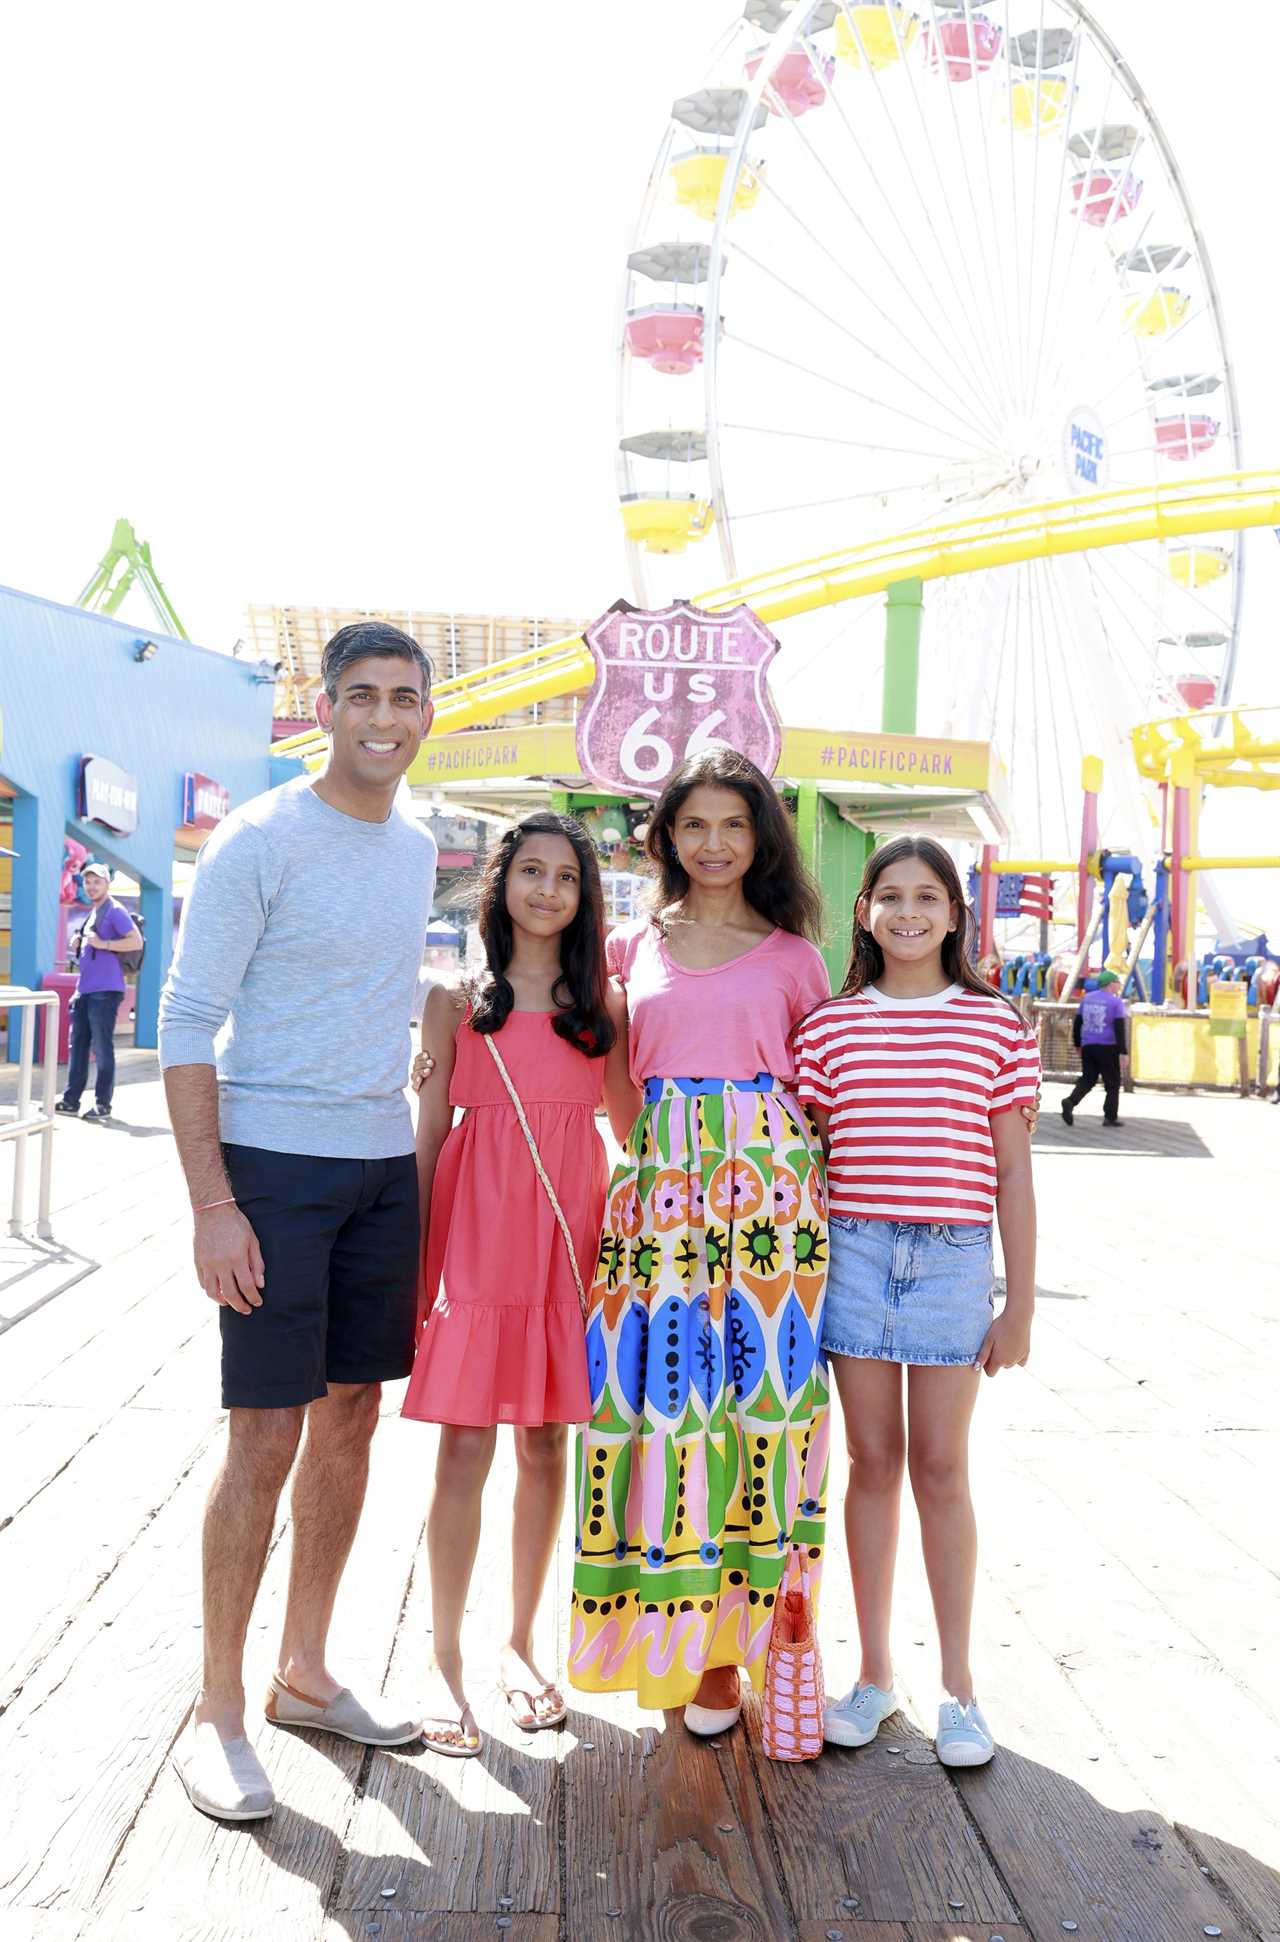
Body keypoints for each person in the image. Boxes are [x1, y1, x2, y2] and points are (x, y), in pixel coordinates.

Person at [158, 621, 437, 1822]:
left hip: (383, 1164)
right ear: (322, 707)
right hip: (271, 1168)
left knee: (353, 1424)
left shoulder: (421, 846)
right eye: (362, 696)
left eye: (405, 698)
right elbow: (183, 1022)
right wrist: (213, 1204)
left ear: (428, 713)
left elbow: (378, 988)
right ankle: (217, 1710)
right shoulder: (257, 838)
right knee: (262, 1439)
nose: (384, 717)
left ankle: (306, 1672)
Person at [568, 746, 832, 1735]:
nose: (713, 842)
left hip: (769, 1204)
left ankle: (746, 1647)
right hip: (661, 1200)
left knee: (763, 1413)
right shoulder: (634, 945)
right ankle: (674, 1645)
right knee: (663, 1409)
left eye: (732, 823)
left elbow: (823, 1092)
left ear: (758, 834)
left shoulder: (795, 957)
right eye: (694, 825)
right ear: (666, 837)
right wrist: (645, 1150)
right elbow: (609, 1069)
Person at [793, 836, 1039, 1770]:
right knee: (871, 1461)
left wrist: (1016, 1304)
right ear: (862, 912)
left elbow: (1013, 1173)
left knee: (941, 1466)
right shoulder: (830, 1026)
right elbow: (806, 1157)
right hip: (851, 1253)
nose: (907, 912)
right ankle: (874, 1674)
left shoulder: (994, 1024)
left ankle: (962, 1692)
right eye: (888, 895)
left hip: (952, 1262)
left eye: (926, 896)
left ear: (954, 913)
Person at [403, 814, 632, 1756]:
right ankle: (442, 1660)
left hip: (566, 1239)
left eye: (566, 876)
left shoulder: (604, 1004)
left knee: (547, 1446)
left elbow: (634, 1129)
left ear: (586, 897)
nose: (547, 889)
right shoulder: (453, 999)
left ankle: (519, 1645)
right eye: (529, 871)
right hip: (476, 1240)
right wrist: (408, 1267)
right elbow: (425, 1142)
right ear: (498, 886)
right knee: (463, 1446)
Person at [55, 859, 143, 1123]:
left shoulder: (114, 910)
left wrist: (103, 943)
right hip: (85, 991)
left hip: (105, 991)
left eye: (97, 881)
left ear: (107, 883)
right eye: (88, 882)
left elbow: (135, 940)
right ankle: (71, 1101)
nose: (91, 886)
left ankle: (102, 1104)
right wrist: (80, 940)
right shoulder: (94, 912)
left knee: (103, 1048)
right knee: (78, 1047)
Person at [1062, 968, 1127, 1126]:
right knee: (1112, 1082)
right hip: (1107, 1046)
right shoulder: (1116, 1002)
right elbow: (1119, 1028)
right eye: (1117, 982)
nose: (1119, 985)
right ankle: (1110, 1116)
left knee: (1088, 1079)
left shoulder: (1087, 999)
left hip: (1089, 1045)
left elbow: (1078, 1023)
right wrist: (1123, 1052)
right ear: (1111, 984)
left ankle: (1070, 1102)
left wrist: (1078, 1044)